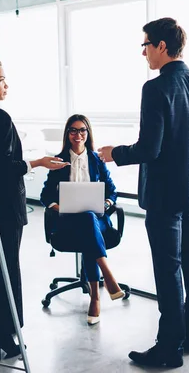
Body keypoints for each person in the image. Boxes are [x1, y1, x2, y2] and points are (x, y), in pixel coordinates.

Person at [98, 17, 189, 368]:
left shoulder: (155, 88)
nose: (144, 53)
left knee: (168, 271)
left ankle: (169, 348)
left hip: (166, 196)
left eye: (146, 45)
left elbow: (149, 150)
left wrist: (115, 153)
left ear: (162, 47)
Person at [0, 56, 69, 361]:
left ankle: (1, 334)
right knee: (8, 269)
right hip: (6, 206)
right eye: (1, 79)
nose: (6, 85)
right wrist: (37, 161)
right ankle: (8, 335)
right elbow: (6, 169)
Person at [40, 114, 126, 325]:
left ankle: (95, 297)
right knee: (85, 222)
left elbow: (112, 191)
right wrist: (59, 207)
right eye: (73, 130)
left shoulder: (97, 160)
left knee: (88, 220)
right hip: (68, 222)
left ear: (88, 134)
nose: (78, 135)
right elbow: (45, 195)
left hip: (96, 220)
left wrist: (106, 204)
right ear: (67, 134)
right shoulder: (59, 161)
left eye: (82, 130)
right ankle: (106, 279)